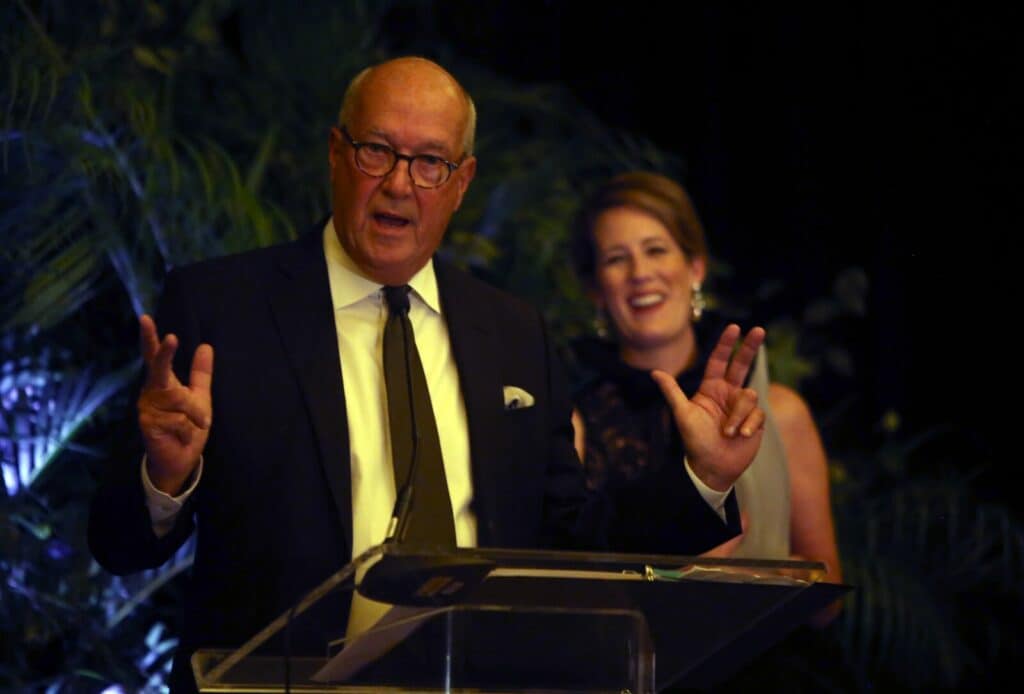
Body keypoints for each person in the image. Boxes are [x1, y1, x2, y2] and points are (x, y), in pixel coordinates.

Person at [87, 58, 767, 693]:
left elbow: (575, 543)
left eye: (430, 163)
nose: (399, 183)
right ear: (336, 153)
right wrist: (165, 479)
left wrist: (700, 479)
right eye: (377, 151)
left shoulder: (513, 333)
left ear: (462, 182)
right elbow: (117, 542)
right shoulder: (223, 307)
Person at [569, 171, 843, 626]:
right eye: (617, 258)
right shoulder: (572, 421)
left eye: (656, 250)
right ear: (595, 288)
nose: (641, 274)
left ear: (695, 267)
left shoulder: (778, 411)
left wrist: (747, 577)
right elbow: (570, 590)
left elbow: (827, 604)